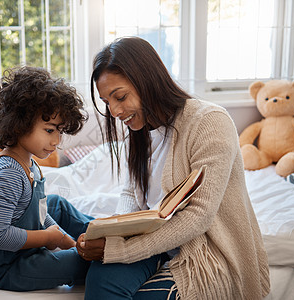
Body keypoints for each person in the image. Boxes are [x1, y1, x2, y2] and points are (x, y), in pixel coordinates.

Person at [76, 37, 270, 299]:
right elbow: (131, 194)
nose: (115, 112)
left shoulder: (210, 122)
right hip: (152, 242)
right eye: (107, 102)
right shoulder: (140, 129)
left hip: (201, 253)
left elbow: (198, 217)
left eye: (120, 97)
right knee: (100, 275)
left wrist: (120, 251)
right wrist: (116, 231)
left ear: (147, 80)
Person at [0, 66, 94, 291]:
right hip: (9, 268)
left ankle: (98, 233)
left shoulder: (28, 162)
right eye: (50, 130)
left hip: (26, 249)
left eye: (60, 131)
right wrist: (46, 238)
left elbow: (40, 213)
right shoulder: (9, 174)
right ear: (19, 123)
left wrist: (65, 241)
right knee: (84, 264)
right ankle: (96, 252)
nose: (57, 141)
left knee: (56, 205)